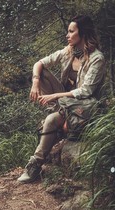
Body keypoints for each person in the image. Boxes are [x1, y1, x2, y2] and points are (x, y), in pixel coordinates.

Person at [17, 15, 106, 183]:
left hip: (84, 107)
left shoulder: (97, 59)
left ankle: (35, 164)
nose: (68, 35)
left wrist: (56, 95)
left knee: (50, 120)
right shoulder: (69, 51)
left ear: (83, 33)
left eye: (71, 31)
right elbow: (39, 63)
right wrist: (35, 82)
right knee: (42, 72)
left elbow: (86, 91)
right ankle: (59, 119)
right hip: (65, 103)